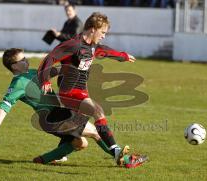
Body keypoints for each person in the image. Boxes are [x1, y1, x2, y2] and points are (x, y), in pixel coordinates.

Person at [38, 12, 148, 167]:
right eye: (102, 32)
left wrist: (122, 56)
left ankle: (48, 158)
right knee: (98, 111)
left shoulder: (93, 47)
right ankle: (117, 152)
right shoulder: (73, 45)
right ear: (92, 29)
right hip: (69, 92)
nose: (103, 36)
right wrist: (44, 80)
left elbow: (107, 51)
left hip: (80, 92)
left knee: (82, 132)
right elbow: (50, 58)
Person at [0, 48, 113, 165]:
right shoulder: (18, 83)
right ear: (14, 66)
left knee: (80, 143)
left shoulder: (34, 72)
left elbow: (55, 70)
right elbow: (5, 104)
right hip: (52, 117)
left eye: (25, 57)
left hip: (59, 113)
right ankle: (119, 155)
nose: (26, 60)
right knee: (95, 132)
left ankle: (43, 159)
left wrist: (70, 65)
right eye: (22, 59)